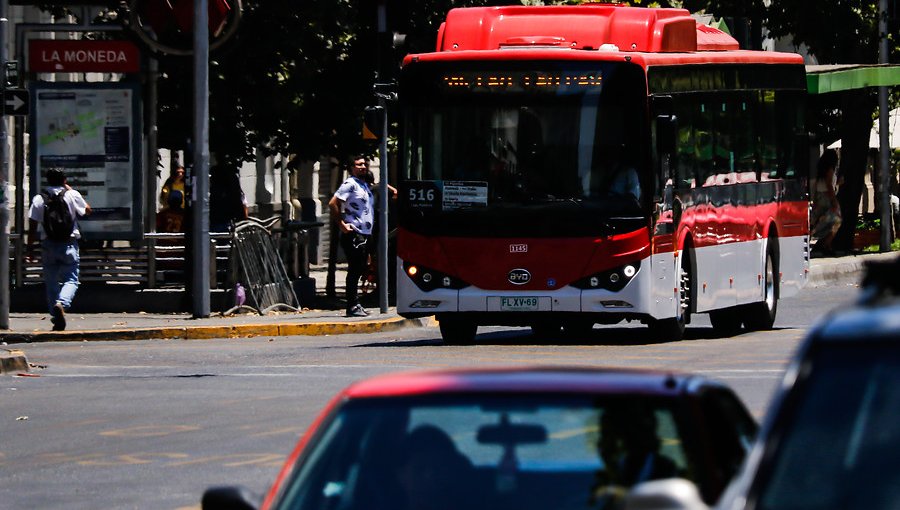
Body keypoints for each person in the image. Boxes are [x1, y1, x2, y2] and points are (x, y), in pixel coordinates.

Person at [26, 168, 92, 331]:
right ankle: (62, 303)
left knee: (51, 282)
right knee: (71, 279)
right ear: (64, 180)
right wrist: (69, 189)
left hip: (48, 244)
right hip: (69, 243)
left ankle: (56, 316)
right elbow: (88, 211)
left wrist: (30, 248)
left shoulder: (39, 199)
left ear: (47, 180)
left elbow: (33, 226)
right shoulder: (72, 195)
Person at [591, 402, 678, 506]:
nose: (601, 444)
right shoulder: (604, 474)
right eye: (604, 435)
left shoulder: (665, 470)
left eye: (609, 434)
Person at [329, 155, 374, 317]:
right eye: (358, 164)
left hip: (365, 234)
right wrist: (342, 225)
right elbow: (333, 202)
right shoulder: (350, 184)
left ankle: (356, 303)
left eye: (364, 164)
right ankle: (352, 305)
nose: (362, 167)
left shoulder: (363, 185)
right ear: (351, 168)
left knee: (361, 268)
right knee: (355, 269)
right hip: (354, 233)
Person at [810, 149, 842, 255]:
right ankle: (826, 244)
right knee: (837, 220)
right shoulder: (830, 169)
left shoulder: (821, 169)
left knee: (817, 220)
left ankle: (820, 242)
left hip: (819, 196)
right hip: (827, 197)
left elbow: (822, 185)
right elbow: (829, 185)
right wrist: (834, 201)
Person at [209, 166, 249, 232]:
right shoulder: (231, 185)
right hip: (225, 220)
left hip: (217, 220)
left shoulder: (215, 189)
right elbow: (237, 201)